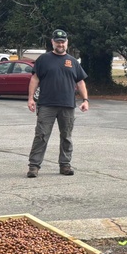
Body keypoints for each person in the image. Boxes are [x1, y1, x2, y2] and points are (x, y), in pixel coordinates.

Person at [26, 29, 89, 178]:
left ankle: (65, 165)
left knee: (66, 136)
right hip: (46, 104)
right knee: (41, 135)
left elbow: (80, 81)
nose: (60, 44)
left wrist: (85, 100)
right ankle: (34, 166)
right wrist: (30, 98)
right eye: (57, 41)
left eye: (63, 41)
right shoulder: (43, 59)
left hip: (67, 105)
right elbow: (35, 79)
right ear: (52, 42)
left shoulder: (73, 62)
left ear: (67, 43)